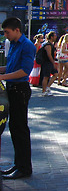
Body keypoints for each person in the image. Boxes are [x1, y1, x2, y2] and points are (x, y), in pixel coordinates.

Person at [0, 17, 36, 179]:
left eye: (7, 32)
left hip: (20, 89)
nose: (5, 35)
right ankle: (18, 164)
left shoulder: (27, 45)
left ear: (17, 30)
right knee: (15, 128)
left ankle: (24, 168)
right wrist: (2, 71)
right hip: (12, 88)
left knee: (20, 129)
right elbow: (11, 67)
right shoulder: (13, 44)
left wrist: (3, 77)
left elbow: (24, 71)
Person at [40, 31, 59, 97]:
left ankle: (47, 87)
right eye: (54, 36)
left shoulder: (51, 44)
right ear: (51, 37)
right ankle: (44, 91)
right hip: (47, 62)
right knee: (46, 77)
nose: (56, 37)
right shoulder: (47, 45)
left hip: (49, 62)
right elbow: (49, 55)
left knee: (56, 74)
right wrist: (53, 62)